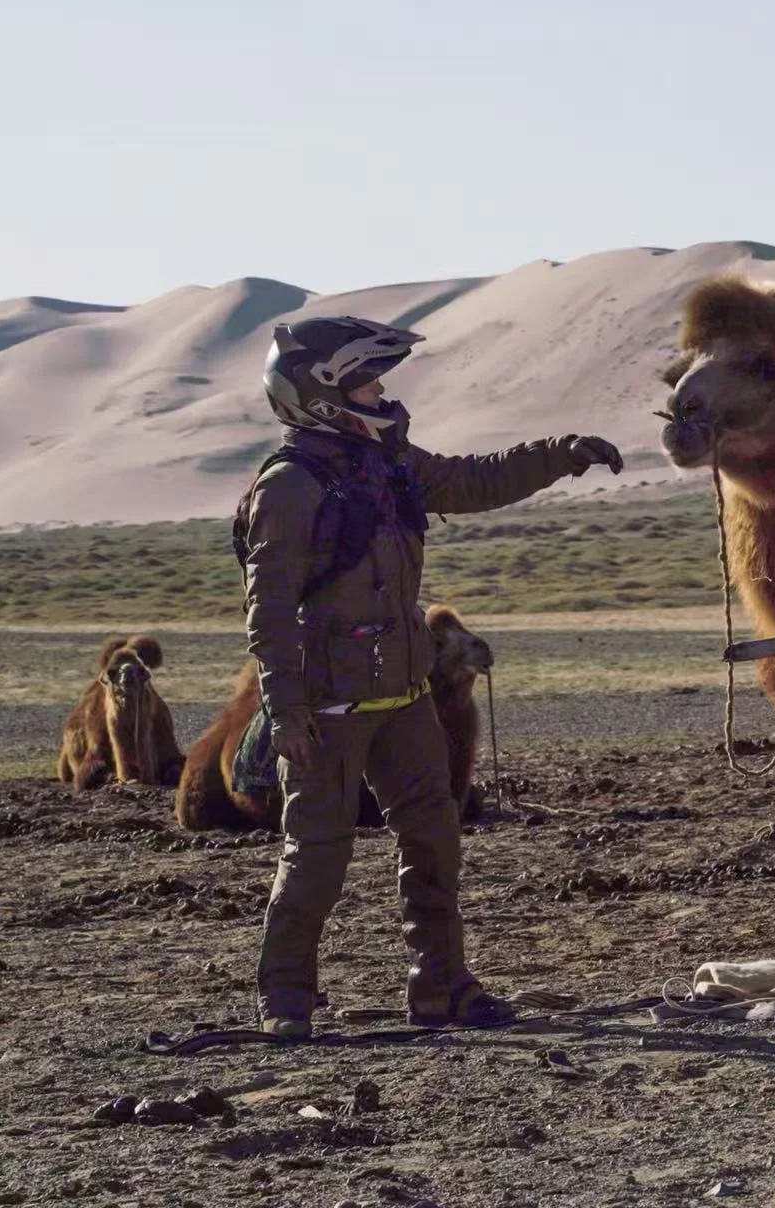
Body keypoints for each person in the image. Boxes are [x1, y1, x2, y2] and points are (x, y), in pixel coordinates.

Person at [235, 315, 622, 1037]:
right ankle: (284, 1000)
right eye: (365, 381)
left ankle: (441, 987)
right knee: (316, 856)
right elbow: (270, 609)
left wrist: (561, 455)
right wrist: (284, 712)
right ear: (320, 396)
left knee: (435, 843)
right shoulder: (289, 487)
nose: (381, 392)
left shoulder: (390, 463)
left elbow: (475, 480)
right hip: (327, 709)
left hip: (406, 697)